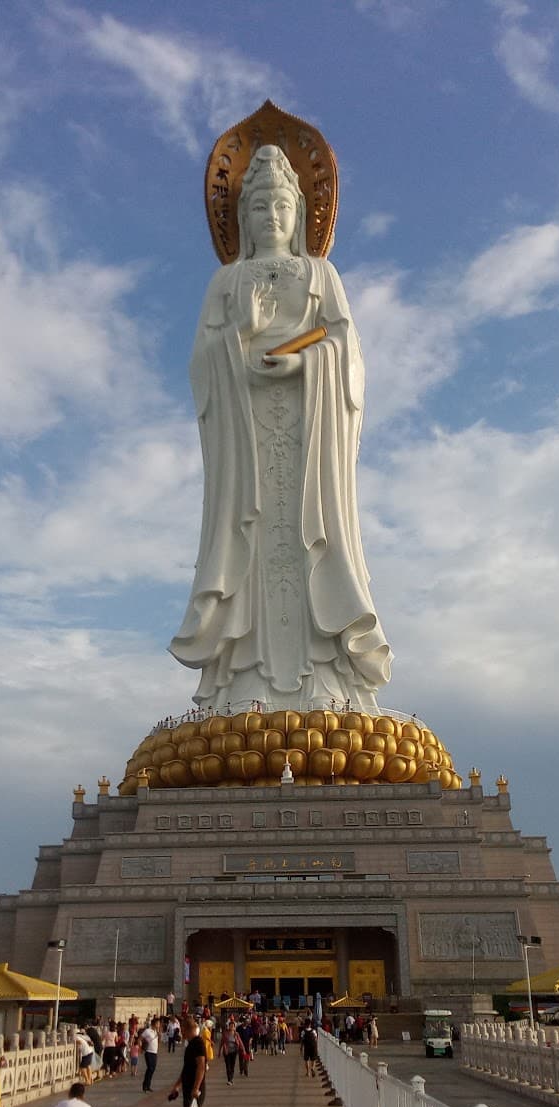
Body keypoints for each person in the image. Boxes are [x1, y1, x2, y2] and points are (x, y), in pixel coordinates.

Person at [170, 143, 392, 712]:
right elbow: (201, 363)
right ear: (242, 219)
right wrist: (239, 333)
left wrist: (306, 362)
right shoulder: (226, 282)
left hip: (308, 430)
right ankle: (243, 686)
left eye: (281, 207)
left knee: (309, 532)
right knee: (253, 537)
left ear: (300, 215)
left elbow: (346, 349)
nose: (271, 217)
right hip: (245, 437)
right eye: (259, 207)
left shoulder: (321, 272)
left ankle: (329, 680)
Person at [218, 1019, 243, 1085]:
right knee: (228, 1066)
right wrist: (219, 1052)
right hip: (226, 1052)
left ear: (234, 1027)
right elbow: (221, 1042)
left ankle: (231, 1079)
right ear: (228, 1026)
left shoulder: (236, 1034)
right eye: (230, 1026)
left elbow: (240, 1042)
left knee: (232, 1066)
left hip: (234, 1052)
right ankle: (229, 1080)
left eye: (233, 1026)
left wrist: (243, 1050)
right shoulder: (225, 1033)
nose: (231, 1027)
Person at [139, 1017, 160, 1092]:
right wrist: (140, 1047)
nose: (159, 1025)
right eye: (158, 1023)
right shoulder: (147, 1031)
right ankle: (145, 1085)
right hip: (148, 1052)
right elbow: (140, 1039)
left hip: (154, 1053)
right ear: (154, 1024)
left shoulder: (156, 1032)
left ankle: (148, 1085)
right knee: (150, 1068)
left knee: (152, 1069)